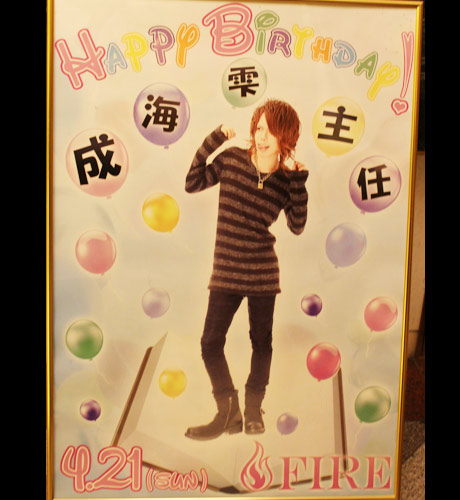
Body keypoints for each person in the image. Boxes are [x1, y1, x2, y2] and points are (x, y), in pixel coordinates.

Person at [184, 99, 309, 440]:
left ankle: (253, 411)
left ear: (286, 138)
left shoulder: (285, 181)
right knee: (210, 343)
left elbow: (297, 225)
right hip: (226, 271)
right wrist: (214, 140)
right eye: (258, 128)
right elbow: (192, 181)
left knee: (261, 343)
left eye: (270, 131)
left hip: (262, 274)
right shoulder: (231, 161)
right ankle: (228, 411)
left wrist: (298, 182)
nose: (261, 137)